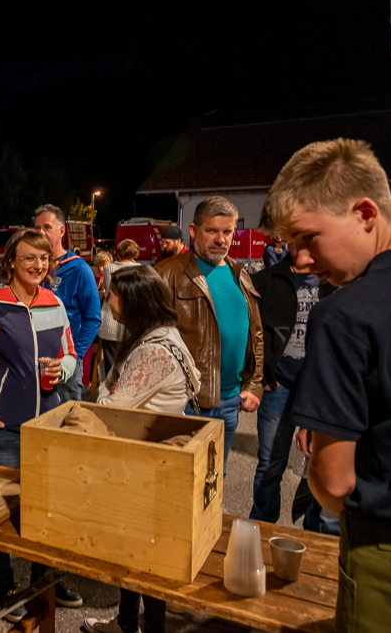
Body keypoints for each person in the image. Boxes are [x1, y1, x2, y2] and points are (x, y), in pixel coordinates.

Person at [261, 137, 391, 631]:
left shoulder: (345, 314)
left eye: (308, 237)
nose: (300, 258)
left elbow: (334, 482)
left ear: (365, 213)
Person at [0, 228, 80, 621]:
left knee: (45, 509)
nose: (37, 265)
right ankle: (2, 586)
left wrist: (61, 369)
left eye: (43, 258)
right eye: (29, 257)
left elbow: (70, 353)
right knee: (1, 513)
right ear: (11, 261)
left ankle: (44, 582)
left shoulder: (54, 303)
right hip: (2, 429)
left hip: (47, 427)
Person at [84, 265, 201, 633]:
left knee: (145, 557)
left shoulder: (152, 351)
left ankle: (146, 626)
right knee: (135, 553)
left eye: (112, 296)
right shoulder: (163, 334)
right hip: (150, 460)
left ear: (133, 302)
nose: (107, 301)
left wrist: (106, 387)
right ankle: (125, 622)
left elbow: (109, 407)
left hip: (144, 465)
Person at [154, 196, 263, 474]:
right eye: (212, 231)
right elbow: (147, 338)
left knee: (214, 479)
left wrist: (254, 384)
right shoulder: (166, 274)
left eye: (227, 232)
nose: (221, 239)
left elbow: (256, 335)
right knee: (178, 478)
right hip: (186, 403)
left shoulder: (240, 273)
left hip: (231, 401)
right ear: (193, 230)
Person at [248, 250, 335, 525]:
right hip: (279, 386)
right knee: (270, 464)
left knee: (320, 463)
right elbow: (252, 331)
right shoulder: (267, 280)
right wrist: (262, 373)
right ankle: (262, 524)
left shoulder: (332, 281)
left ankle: (312, 529)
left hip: (319, 387)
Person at [34, 204, 102, 402]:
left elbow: (93, 318)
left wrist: (73, 356)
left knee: (66, 416)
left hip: (63, 363)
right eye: (37, 228)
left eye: (47, 227)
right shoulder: (31, 267)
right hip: (33, 360)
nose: (41, 232)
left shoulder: (78, 268)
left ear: (62, 231)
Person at [98, 240, 140, 377]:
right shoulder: (139, 269)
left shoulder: (109, 268)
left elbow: (107, 293)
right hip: (130, 324)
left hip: (109, 322)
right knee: (130, 366)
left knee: (111, 367)